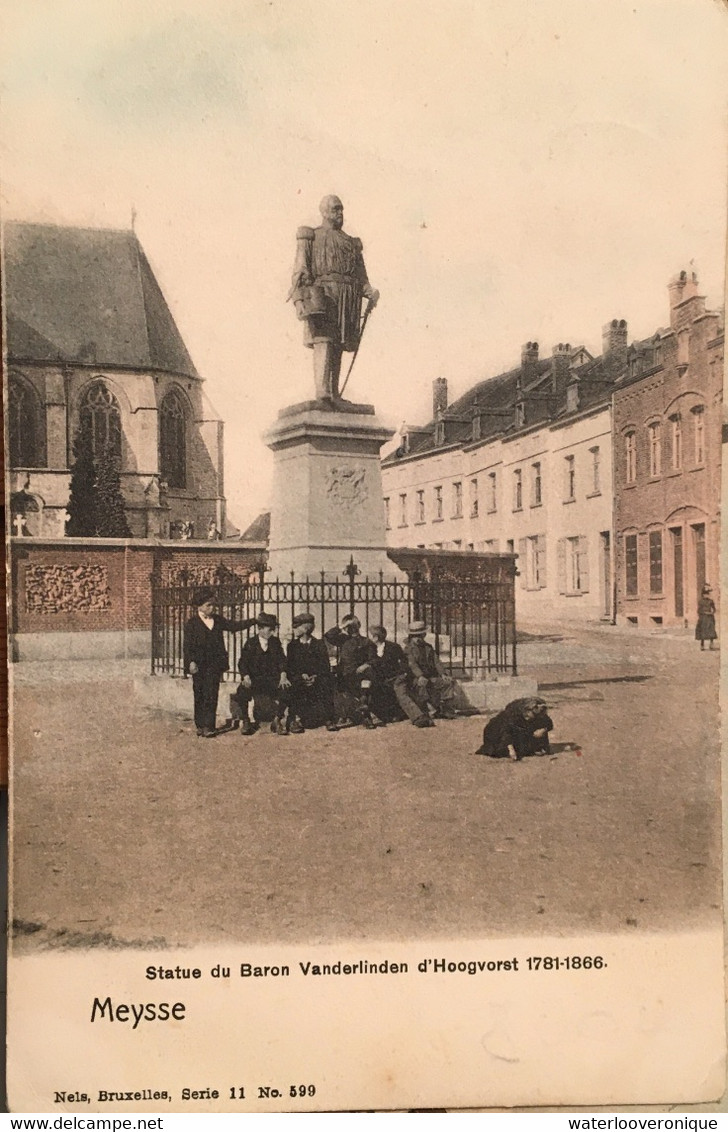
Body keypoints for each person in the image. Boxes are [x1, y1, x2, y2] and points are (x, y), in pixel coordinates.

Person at [289, 195, 380, 402]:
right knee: (324, 341)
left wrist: (370, 291)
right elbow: (300, 271)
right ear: (323, 212)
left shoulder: (351, 243)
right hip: (323, 296)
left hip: (347, 298)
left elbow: (361, 276)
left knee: (338, 344)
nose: (340, 214)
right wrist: (299, 301)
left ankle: (334, 392)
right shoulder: (311, 236)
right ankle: (322, 391)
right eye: (335, 209)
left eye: (341, 210)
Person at [183, 589, 256, 738]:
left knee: (212, 694)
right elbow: (187, 646)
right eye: (208, 605)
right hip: (198, 666)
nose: (212, 608)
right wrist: (190, 662)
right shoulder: (192, 624)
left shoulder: (218, 620)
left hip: (214, 664)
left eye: (213, 605)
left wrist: (253, 621)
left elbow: (234, 626)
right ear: (200, 607)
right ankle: (200, 724)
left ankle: (209, 726)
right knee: (200, 694)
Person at [236, 612, 292, 735]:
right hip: (255, 680)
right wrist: (245, 676)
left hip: (271, 680)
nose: (272, 632)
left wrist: (283, 675)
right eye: (269, 629)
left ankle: (277, 720)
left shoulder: (275, 642)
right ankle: (245, 720)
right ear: (260, 629)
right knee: (241, 691)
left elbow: (282, 660)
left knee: (287, 688)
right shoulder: (251, 643)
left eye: (274, 629)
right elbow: (242, 662)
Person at [324, 614, 383, 728]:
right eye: (349, 627)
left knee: (366, 678)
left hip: (360, 674)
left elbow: (374, 659)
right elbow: (328, 636)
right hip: (344, 675)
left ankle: (365, 713)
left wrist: (366, 664)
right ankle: (361, 710)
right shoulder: (342, 640)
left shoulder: (366, 642)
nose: (352, 629)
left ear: (359, 626)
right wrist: (341, 626)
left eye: (354, 626)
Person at [286, 612, 339, 732]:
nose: (294, 630)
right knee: (293, 683)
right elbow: (290, 666)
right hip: (300, 678)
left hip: (317, 678)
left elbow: (324, 666)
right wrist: (301, 675)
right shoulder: (292, 646)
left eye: (296, 627)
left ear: (304, 629)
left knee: (326, 681)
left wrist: (315, 676)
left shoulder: (319, 644)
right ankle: (296, 719)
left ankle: (329, 719)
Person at [399, 620, 457, 725]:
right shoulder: (408, 649)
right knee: (422, 685)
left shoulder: (428, 647)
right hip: (414, 678)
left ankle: (445, 710)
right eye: (414, 636)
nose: (417, 639)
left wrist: (443, 674)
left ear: (424, 635)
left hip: (430, 677)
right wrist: (420, 676)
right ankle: (423, 712)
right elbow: (412, 665)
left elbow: (436, 662)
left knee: (448, 683)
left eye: (419, 636)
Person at [476, 698, 553, 761]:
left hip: (516, 732)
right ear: (526, 710)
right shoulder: (512, 714)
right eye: (528, 716)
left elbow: (549, 724)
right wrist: (511, 750)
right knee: (501, 751)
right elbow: (506, 732)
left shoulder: (539, 712)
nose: (528, 718)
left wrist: (543, 729)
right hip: (497, 733)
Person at [368, 625, 408, 723]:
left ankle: (395, 714)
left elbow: (403, 661)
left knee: (391, 688)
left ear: (376, 637)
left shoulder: (393, 647)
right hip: (377, 678)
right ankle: (382, 715)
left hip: (393, 676)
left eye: (370, 636)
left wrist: (400, 673)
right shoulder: (369, 648)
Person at [696, 584, 717, 650]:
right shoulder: (700, 601)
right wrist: (703, 613)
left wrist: (712, 612)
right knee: (702, 631)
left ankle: (711, 644)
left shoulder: (711, 601)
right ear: (703, 595)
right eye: (705, 594)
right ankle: (702, 645)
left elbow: (714, 609)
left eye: (708, 594)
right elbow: (699, 610)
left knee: (711, 631)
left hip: (710, 618)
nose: (707, 595)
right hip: (703, 618)